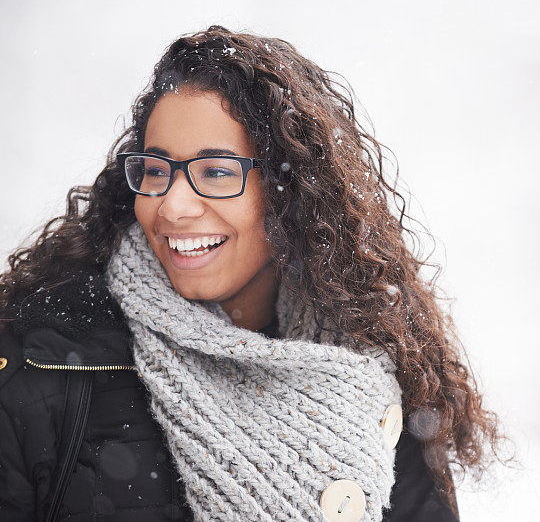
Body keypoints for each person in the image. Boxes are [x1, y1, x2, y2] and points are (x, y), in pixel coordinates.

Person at [0, 25, 513, 521]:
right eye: (156, 171)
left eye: (217, 172)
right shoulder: (41, 369)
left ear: (295, 194)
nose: (172, 207)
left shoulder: (369, 366)